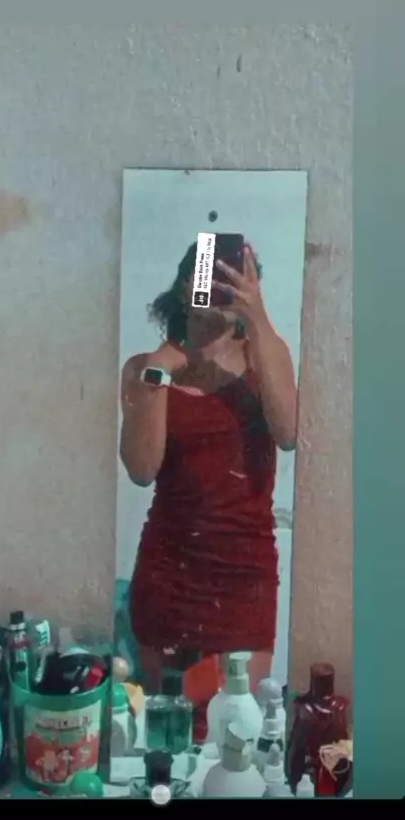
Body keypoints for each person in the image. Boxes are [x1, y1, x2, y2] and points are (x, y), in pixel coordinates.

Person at [119, 240, 297, 736]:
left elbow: (288, 433)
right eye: (208, 280)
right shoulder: (145, 367)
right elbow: (141, 468)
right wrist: (159, 373)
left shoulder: (266, 356)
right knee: (167, 731)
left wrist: (257, 319)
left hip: (244, 575)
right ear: (184, 288)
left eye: (232, 281)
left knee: (235, 733)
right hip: (169, 573)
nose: (220, 292)